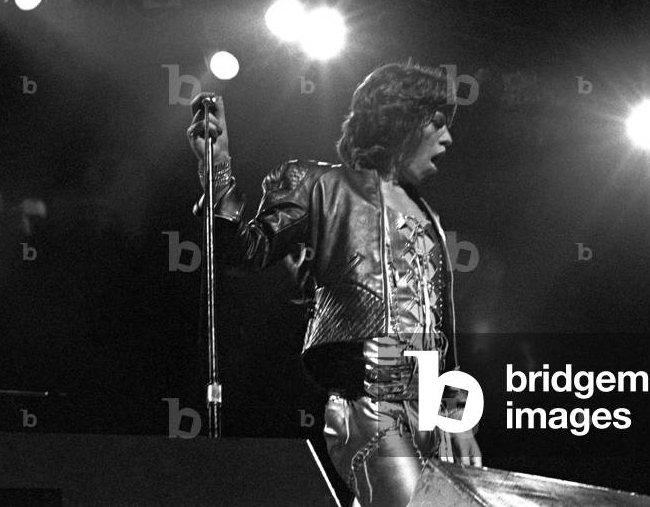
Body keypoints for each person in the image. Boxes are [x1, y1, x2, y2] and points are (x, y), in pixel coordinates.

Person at [186, 63, 481, 507]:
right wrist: (218, 165)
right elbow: (244, 252)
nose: (448, 138)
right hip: (369, 403)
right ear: (399, 120)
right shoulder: (322, 185)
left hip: (428, 417)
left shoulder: (431, 219)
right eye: (436, 123)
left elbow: (444, 332)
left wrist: (457, 419)